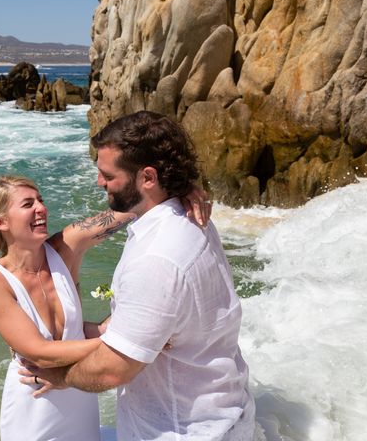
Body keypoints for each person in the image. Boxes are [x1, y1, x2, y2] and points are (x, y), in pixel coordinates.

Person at [22, 111, 255, 441]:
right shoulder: (190, 219)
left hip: (180, 432)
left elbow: (112, 369)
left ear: (148, 177)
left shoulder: (156, 259)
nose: (99, 182)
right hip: (225, 417)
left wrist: (61, 376)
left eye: (107, 175)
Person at [0, 173, 210, 441]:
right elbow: (39, 353)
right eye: (28, 204)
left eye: (40, 200)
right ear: (0, 222)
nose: (41, 208)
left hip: (77, 391)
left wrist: (181, 190)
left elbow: (131, 209)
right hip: (35, 399)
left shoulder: (66, 247)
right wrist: (124, 341)